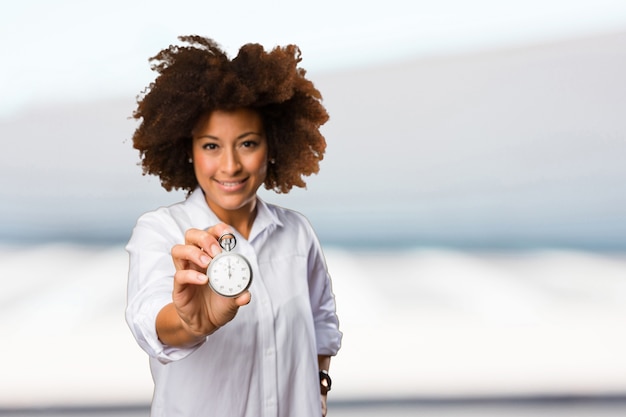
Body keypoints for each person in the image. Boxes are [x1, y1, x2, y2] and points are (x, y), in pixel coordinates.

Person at [125, 35, 342, 417]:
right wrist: (193, 322)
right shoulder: (161, 230)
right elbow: (152, 324)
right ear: (186, 149)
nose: (230, 166)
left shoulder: (297, 232)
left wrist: (319, 388)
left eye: (247, 143)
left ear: (272, 145)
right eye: (211, 146)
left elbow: (322, 323)